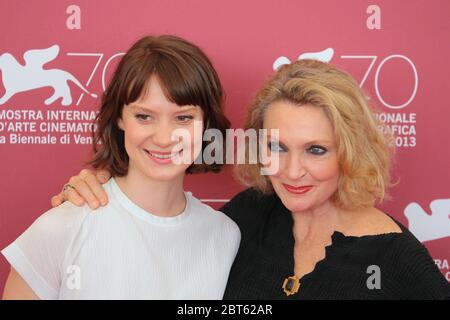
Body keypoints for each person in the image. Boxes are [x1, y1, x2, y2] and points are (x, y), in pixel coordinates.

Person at [47, 60, 450, 299]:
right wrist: (104, 184)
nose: (291, 172)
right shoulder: (248, 217)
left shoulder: (398, 260)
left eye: (316, 150)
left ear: (350, 150)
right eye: (276, 147)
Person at [1, 35, 240, 300]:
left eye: (183, 118)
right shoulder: (61, 228)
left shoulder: (224, 236)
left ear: (205, 124)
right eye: (144, 116)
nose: (163, 138)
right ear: (119, 118)